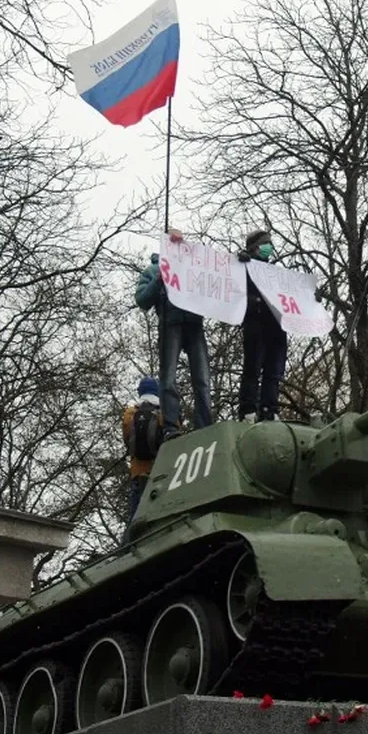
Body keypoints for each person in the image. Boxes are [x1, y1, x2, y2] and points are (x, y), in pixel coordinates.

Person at [134, 229, 212, 439]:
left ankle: (205, 427)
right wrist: (159, 280)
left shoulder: (195, 267)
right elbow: (142, 299)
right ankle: (171, 427)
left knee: (203, 379)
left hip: (195, 324)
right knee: (168, 378)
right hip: (170, 324)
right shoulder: (153, 270)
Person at [237, 230, 289, 422]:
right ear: (255, 247)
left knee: (274, 372)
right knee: (253, 368)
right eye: (266, 244)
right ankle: (248, 410)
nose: (270, 248)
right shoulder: (242, 267)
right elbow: (235, 292)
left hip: (276, 326)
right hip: (256, 324)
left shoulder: (275, 274)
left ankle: (270, 409)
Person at [122, 376, 164, 535]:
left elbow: (128, 440)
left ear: (140, 392)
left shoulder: (130, 413)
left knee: (135, 516)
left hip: (138, 472)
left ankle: (126, 548)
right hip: (160, 470)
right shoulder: (165, 412)